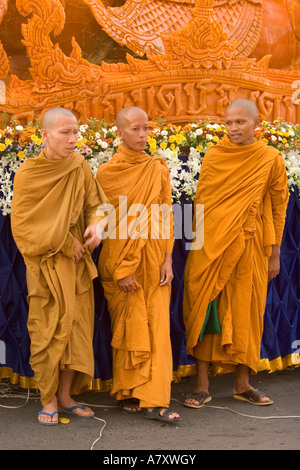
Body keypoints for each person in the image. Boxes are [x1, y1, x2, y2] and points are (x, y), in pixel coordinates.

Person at [183, 99, 289, 408]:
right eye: (228, 123)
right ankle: (202, 384)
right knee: (206, 307)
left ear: (257, 122)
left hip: (252, 245)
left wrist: (274, 254)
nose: (232, 129)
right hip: (211, 246)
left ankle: (242, 383)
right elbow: (202, 203)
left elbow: (278, 207)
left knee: (247, 311)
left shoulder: (270, 158)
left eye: (240, 122)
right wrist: (200, 248)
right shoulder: (215, 156)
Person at [11, 107, 106, 425]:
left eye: (76, 132)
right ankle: (48, 397)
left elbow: (97, 203)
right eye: (64, 132)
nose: (72, 139)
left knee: (76, 330)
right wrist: (67, 243)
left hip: (77, 266)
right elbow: (24, 226)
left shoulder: (79, 166)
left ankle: (65, 395)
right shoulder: (29, 173)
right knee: (47, 330)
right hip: (47, 266)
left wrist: (96, 226)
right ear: (44, 135)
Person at [96, 106, 180, 423]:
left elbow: (165, 215)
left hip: (155, 259)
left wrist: (168, 259)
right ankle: (131, 390)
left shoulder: (157, 169)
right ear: (120, 132)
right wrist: (123, 268)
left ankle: (154, 399)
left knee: (156, 328)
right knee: (130, 324)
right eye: (135, 129)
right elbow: (107, 225)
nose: (143, 135)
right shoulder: (107, 174)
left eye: (146, 128)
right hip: (122, 263)